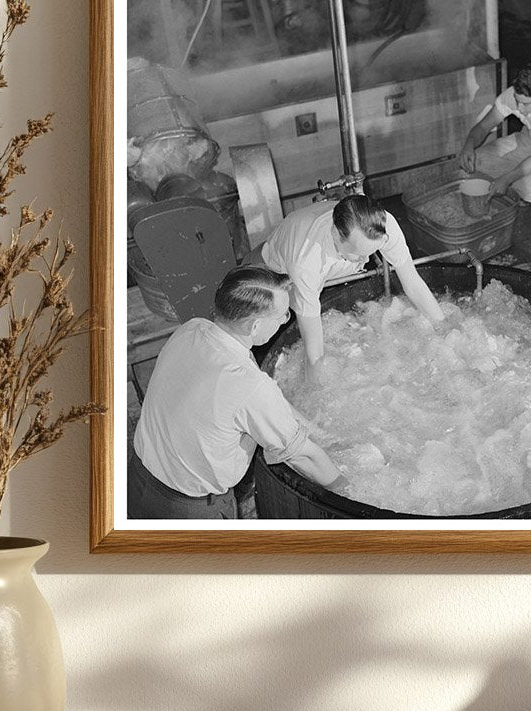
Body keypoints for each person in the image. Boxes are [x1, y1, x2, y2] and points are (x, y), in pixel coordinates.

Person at [129, 265, 343, 520]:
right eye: (284, 315)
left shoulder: (191, 330)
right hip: (190, 510)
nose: (287, 320)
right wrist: (346, 486)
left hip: (138, 479)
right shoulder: (249, 386)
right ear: (255, 326)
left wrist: (317, 431)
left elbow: (260, 403)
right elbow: (305, 457)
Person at [260, 194, 444, 378]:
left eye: (371, 252)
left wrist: (444, 330)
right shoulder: (306, 262)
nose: (365, 260)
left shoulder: (382, 225)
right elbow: (314, 352)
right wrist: (315, 396)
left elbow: (413, 284)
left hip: (329, 268)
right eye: (359, 254)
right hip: (271, 274)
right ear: (335, 234)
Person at [457, 64, 531, 209]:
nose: (519, 108)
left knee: (526, 187)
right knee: (475, 163)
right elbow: (483, 127)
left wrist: (506, 179)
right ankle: (522, 178)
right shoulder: (514, 95)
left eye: (525, 104)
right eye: (517, 101)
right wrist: (468, 145)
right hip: (530, 139)